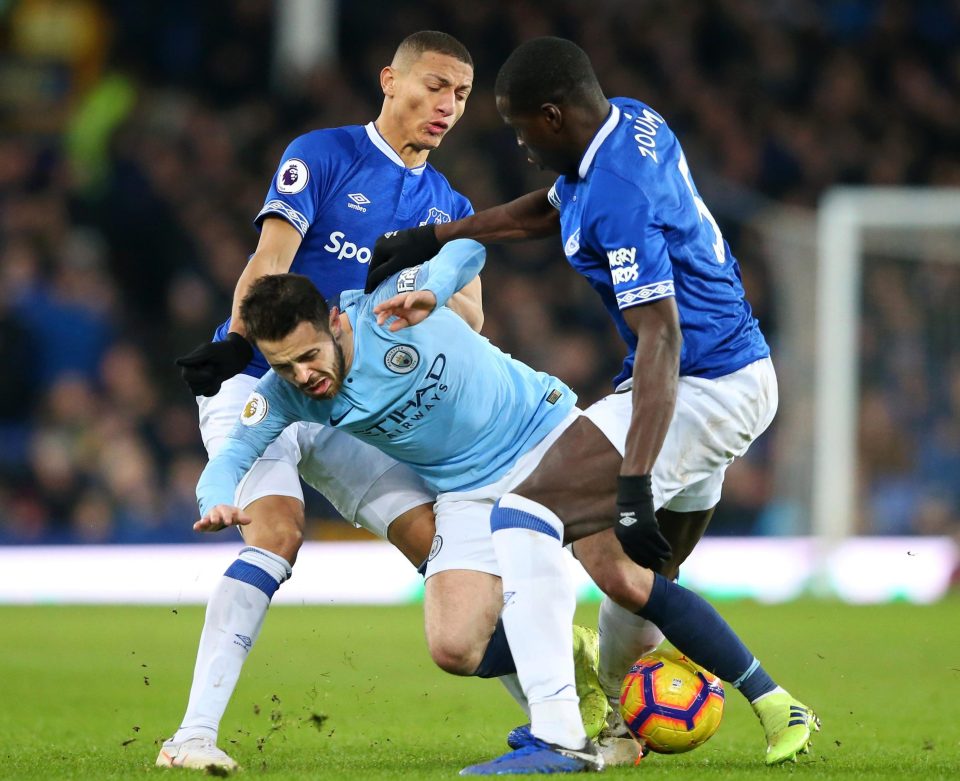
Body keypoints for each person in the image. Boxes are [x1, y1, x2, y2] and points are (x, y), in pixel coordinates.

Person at [366, 36, 819, 772]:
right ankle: (727, 710)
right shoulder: (627, 122)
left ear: (553, 115)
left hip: (695, 383)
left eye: (520, 129)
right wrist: (435, 233)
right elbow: (544, 211)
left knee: (525, 514)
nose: (520, 144)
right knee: (628, 574)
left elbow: (663, 336)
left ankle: (558, 735)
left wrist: (635, 477)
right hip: (734, 371)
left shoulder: (619, 195)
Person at [200, 241, 815, 775]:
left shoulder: (388, 309)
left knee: (620, 578)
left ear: (334, 321)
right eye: (285, 365)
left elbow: (469, 252)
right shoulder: (285, 394)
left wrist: (434, 287)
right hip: (467, 489)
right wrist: (216, 498)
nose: (303, 376)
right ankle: (574, 663)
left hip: (545, 436)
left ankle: (772, 699)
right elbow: (233, 455)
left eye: (309, 356)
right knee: (455, 647)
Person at [157, 31, 480, 771]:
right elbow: (268, 264)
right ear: (389, 78)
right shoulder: (323, 155)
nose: (446, 106)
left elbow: (473, 315)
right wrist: (239, 347)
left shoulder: (449, 202)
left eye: (460, 96)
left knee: (441, 547)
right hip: (263, 379)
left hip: (347, 400)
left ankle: (557, 719)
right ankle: (193, 737)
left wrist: (411, 292)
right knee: (277, 533)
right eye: (434, 85)